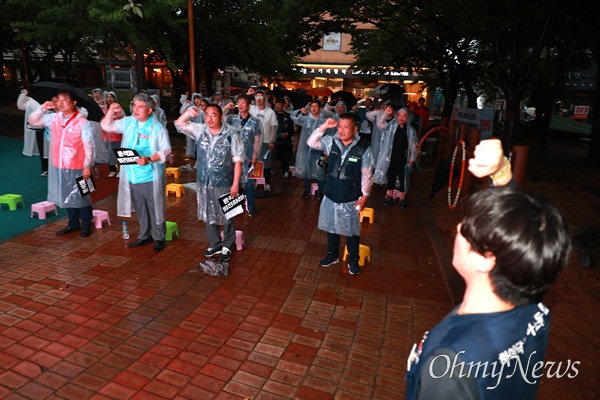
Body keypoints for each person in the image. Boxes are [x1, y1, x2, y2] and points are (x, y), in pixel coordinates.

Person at [405, 138, 571, 400]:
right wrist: (502, 173)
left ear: (486, 259)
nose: (458, 229)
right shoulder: (530, 298)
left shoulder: (451, 365)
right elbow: (522, 232)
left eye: (466, 229)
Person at [101, 93, 172, 252]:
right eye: (134, 106)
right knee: (140, 208)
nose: (136, 109)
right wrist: (111, 110)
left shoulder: (157, 128)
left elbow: (166, 150)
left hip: (150, 176)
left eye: (140, 107)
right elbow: (106, 126)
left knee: (155, 207)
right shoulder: (129, 122)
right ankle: (144, 235)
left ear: (149, 109)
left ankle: (159, 237)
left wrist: (150, 159)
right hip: (132, 175)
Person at [174, 104, 243, 263]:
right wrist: (187, 113)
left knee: (227, 213)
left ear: (221, 117)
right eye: (207, 115)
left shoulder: (231, 135)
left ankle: (228, 243)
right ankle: (214, 243)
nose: (210, 118)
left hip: (224, 181)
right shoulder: (201, 130)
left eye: (214, 115)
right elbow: (179, 124)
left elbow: (238, 161)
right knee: (208, 211)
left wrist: (235, 184)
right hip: (204, 181)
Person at [306, 114, 373, 275]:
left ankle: (353, 259)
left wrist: (364, 196)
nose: (342, 130)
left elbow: (367, 173)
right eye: (339, 126)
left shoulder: (363, 148)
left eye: (346, 127)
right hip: (331, 192)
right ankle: (332, 255)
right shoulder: (331, 142)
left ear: (355, 129)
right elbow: (311, 142)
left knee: (351, 230)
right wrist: (324, 127)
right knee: (331, 226)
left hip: (350, 195)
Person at [28, 90, 96, 237]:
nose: (61, 102)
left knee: (82, 195)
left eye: (65, 99)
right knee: (66, 195)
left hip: (78, 165)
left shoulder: (82, 122)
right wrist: (43, 108)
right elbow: (32, 121)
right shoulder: (54, 118)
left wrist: (87, 166)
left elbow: (88, 146)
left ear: (74, 103)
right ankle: (72, 223)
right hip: (59, 164)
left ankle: (86, 224)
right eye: (58, 99)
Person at [374, 107, 418, 209]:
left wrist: (411, 160)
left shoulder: (411, 131)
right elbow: (380, 125)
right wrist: (385, 114)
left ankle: (402, 199)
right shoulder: (392, 127)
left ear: (407, 117)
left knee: (403, 179)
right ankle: (389, 196)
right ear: (396, 116)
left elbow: (414, 147)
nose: (401, 118)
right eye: (399, 115)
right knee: (391, 177)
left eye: (404, 116)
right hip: (391, 158)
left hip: (404, 159)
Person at [226, 94, 262, 217]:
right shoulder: (232, 119)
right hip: (233, 157)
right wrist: (226, 106)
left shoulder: (255, 122)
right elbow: (218, 117)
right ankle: (236, 206)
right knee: (234, 181)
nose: (240, 105)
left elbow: (257, 140)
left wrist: (254, 156)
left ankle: (250, 206)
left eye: (243, 102)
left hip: (248, 157)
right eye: (239, 102)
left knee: (249, 183)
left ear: (248, 105)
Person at [291, 101, 329, 199]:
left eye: (316, 106)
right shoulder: (305, 119)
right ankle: (306, 190)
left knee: (320, 170)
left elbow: (327, 136)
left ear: (320, 108)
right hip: (306, 149)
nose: (313, 108)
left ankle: (320, 191)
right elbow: (293, 116)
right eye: (312, 106)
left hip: (319, 149)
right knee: (307, 169)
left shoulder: (324, 121)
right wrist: (299, 111)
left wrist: (326, 149)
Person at [249, 89, 277, 193]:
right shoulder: (251, 109)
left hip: (266, 141)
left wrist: (272, 141)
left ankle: (267, 184)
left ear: (265, 98)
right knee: (254, 162)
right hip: (253, 141)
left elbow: (273, 127)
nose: (259, 99)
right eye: (257, 97)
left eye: (261, 97)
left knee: (266, 164)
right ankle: (254, 182)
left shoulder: (270, 112)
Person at [17, 88, 48, 176]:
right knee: (42, 146)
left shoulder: (51, 100)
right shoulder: (31, 100)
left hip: (50, 127)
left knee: (51, 148)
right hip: (38, 126)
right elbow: (20, 106)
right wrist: (24, 95)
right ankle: (45, 168)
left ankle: (54, 167)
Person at [101, 91, 125, 178]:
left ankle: (120, 169)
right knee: (110, 153)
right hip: (107, 135)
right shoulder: (104, 108)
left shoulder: (118, 108)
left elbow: (122, 118)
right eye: (107, 97)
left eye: (111, 97)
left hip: (117, 135)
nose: (109, 99)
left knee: (118, 152)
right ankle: (112, 169)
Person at [179, 93, 205, 166]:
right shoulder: (191, 108)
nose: (196, 100)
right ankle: (193, 163)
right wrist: (185, 105)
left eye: (198, 99)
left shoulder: (204, 109)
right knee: (191, 146)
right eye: (195, 99)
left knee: (200, 147)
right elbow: (182, 113)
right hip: (192, 130)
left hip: (201, 130)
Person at [274, 99, 295, 179]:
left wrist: (288, 134)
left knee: (285, 156)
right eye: (276, 104)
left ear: (283, 105)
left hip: (285, 140)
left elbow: (291, 129)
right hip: (275, 140)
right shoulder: (273, 115)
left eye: (279, 104)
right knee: (274, 156)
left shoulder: (288, 116)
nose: (278, 106)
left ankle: (285, 170)